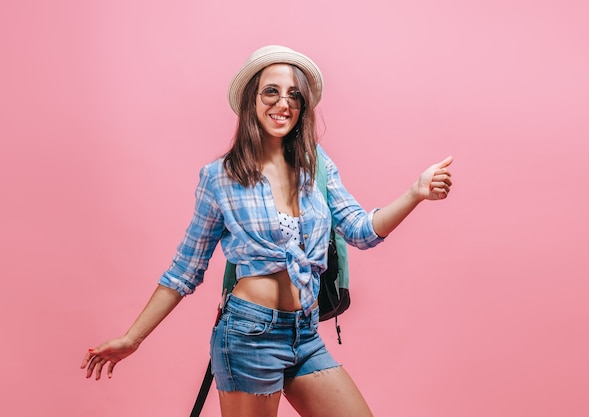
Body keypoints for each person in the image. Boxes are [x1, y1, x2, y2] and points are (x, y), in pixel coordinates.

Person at [81, 45, 453, 417]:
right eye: (271, 91)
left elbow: (360, 230)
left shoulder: (316, 165)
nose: (283, 103)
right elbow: (184, 271)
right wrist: (133, 338)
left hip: (304, 333)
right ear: (251, 101)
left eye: (294, 95)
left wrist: (415, 193)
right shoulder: (221, 178)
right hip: (249, 335)